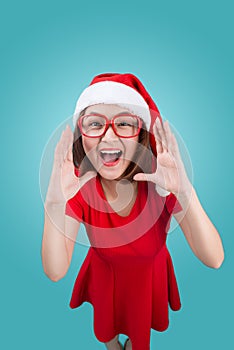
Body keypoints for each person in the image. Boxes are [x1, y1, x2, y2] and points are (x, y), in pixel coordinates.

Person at [41, 73, 224, 350]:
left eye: (124, 123)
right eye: (95, 124)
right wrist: (54, 204)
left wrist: (185, 191)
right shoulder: (81, 190)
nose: (109, 135)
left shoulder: (160, 186)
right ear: (83, 137)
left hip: (147, 278)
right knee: (107, 330)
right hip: (105, 276)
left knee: (140, 332)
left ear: (140, 135)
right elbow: (55, 271)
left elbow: (214, 258)